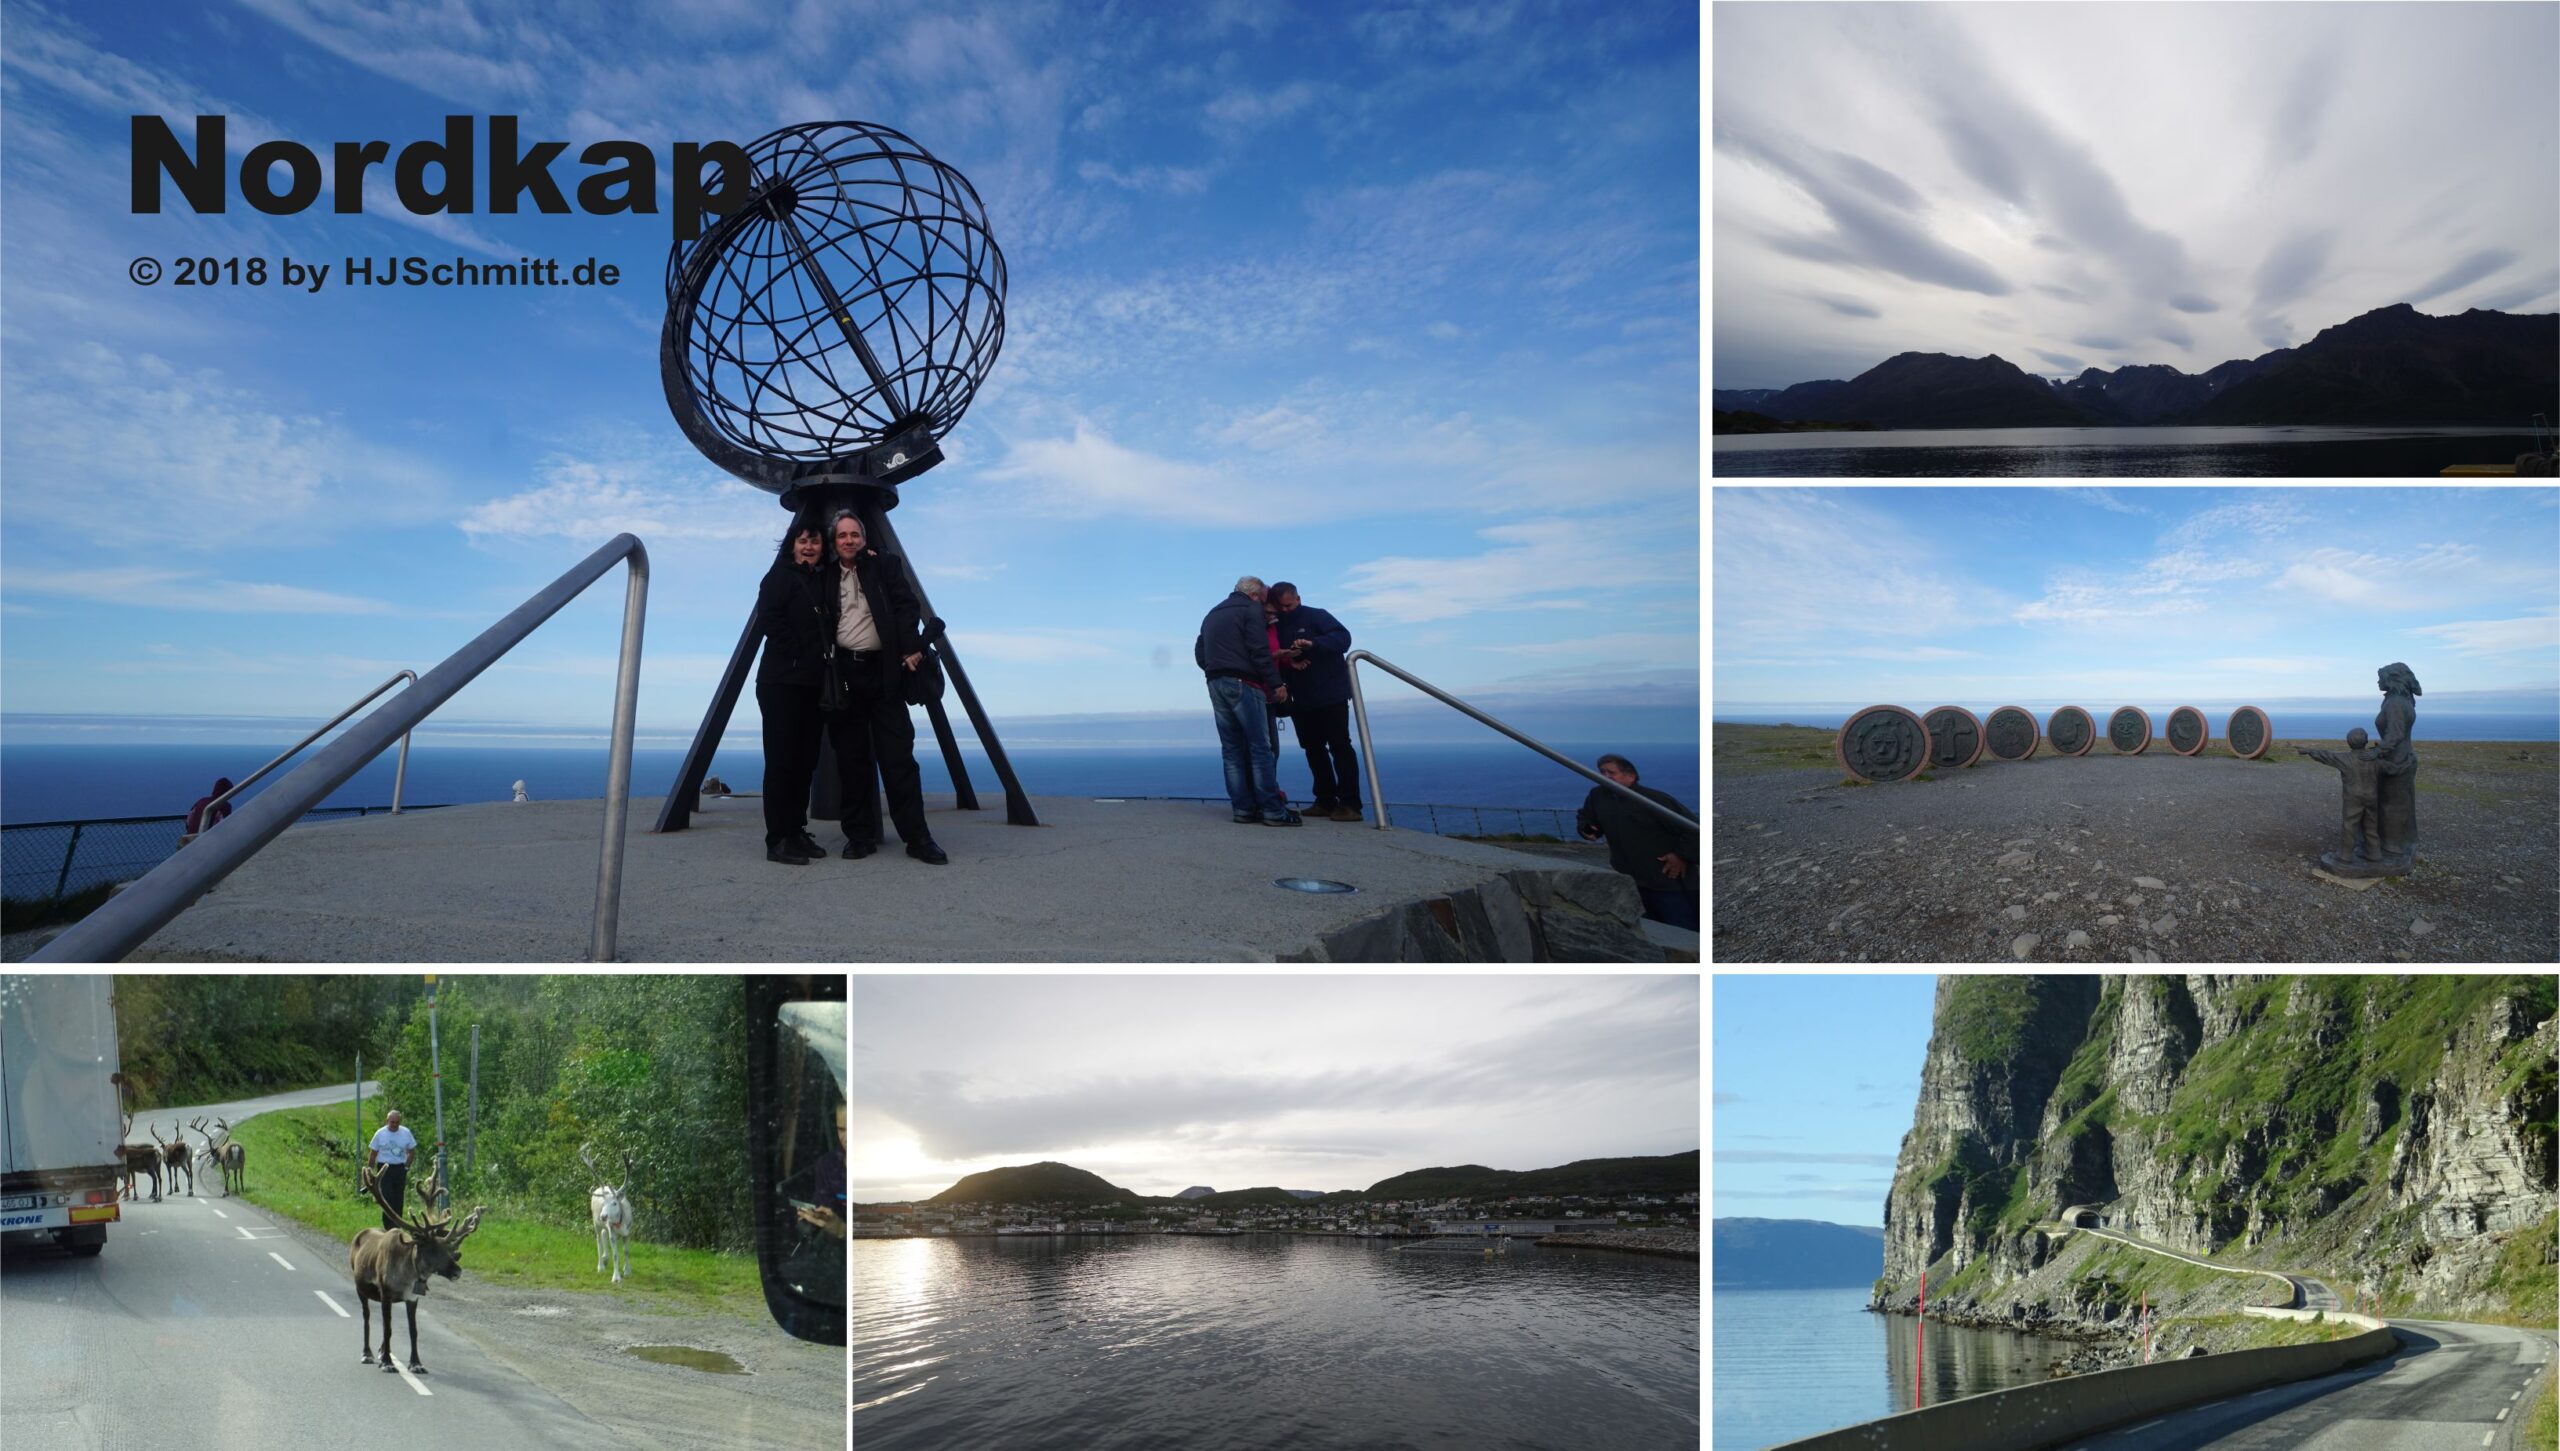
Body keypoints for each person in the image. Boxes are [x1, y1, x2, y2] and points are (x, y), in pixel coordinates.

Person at [825, 511, 945, 865]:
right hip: (846, 674)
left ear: (864, 539)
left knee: (899, 760)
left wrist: (910, 646)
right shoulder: (826, 576)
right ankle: (859, 837)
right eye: (842, 536)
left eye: (854, 535)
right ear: (835, 543)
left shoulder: (885, 565)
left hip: (884, 673)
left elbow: (906, 605)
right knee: (852, 760)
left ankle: (918, 838)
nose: (849, 540)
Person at [755, 521, 833, 866]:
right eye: (802, 541)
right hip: (781, 683)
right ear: (791, 546)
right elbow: (769, 620)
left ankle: (796, 830)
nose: (808, 546)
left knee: (804, 762)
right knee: (781, 762)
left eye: (814, 541)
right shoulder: (778, 578)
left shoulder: (822, 580)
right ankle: (778, 839)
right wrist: (799, 653)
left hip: (811, 684)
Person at [1195, 576, 1299, 826]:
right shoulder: (1250, 610)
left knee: (1231, 750)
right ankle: (1273, 811)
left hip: (1215, 683)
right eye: (1263, 597)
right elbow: (1259, 650)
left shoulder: (1213, 613)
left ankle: (1243, 809)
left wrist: (1216, 670)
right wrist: (1276, 683)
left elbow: (1200, 651)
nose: (1264, 602)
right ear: (1254, 595)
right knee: (1260, 748)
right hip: (1245, 683)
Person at [1268, 582, 1362, 822]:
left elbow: (1343, 638)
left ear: (1298, 599)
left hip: (1330, 694)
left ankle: (1351, 804)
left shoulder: (1316, 616)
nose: (1286, 610)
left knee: (1340, 747)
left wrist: (1314, 644)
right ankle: (1325, 800)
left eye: (1289, 605)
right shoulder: (1275, 625)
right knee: (1313, 749)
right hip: (1301, 697)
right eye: (1281, 607)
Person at [1576, 754, 1699, 931]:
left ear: (1630, 776)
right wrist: (1586, 828)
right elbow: (1587, 817)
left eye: (1611, 772)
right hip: (1630, 879)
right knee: (1648, 930)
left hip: (1667, 880)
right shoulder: (1598, 796)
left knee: (1682, 929)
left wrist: (1680, 856)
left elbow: (1693, 830)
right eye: (1602, 772)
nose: (1605, 777)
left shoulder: (1654, 800)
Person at [2299, 728, 2390, 862]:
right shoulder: (2373, 758)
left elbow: (2326, 756)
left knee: (2350, 825)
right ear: (2366, 741)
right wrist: (2381, 753)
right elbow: (2391, 768)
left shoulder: (2345, 759)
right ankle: (2374, 854)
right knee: (2371, 825)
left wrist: (2309, 751)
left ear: (2348, 742)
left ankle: (2345, 855)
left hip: (2353, 797)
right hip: (2371, 797)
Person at [797, 1102, 846, 1242]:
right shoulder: (827, 1166)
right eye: (841, 1129)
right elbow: (826, 1211)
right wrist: (814, 1217)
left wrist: (843, 1230)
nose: (847, 1138)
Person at [365, 1108, 419, 1230]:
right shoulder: (380, 1134)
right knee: (387, 1197)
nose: (394, 1124)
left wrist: (406, 1166)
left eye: (397, 1122)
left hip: (400, 1168)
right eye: (392, 1122)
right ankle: (388, 1227)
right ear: (387, 1121)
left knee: (398, 1198)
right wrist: (369, 1171)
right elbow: (373, 1153)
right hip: (384, 1169)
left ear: (400, 1121)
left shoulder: (406, 1132)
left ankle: (397, 1226)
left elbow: (411, 1151)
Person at [181, 777, 234, 843]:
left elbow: (188, 822)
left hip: (189, 840)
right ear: (228, 792)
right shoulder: (225, 806)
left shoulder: (201, 801)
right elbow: (224, 827)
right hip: (208, 842)